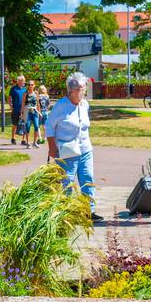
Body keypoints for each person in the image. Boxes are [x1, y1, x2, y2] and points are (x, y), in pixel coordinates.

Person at [45, 72, 102, 223]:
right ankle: (66, 210)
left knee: (87, 178)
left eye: (84, 88)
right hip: (67, 150)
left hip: (85, 149)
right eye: (82, 89)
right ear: (72, 91)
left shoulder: (85, 104)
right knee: (67, 181)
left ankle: (89, 210)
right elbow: (49, 127)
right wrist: (52, 148)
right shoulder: (61, 106)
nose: (84, 92)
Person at [21, 82, 44, 148]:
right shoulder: (25, 93)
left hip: (35, 111)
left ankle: (34, 142)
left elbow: (38, 104)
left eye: (32, 85)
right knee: (27, 126)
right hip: (27, 111)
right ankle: (28, 143)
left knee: (36, 126)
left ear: (34, 85)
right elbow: (23, 103)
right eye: (29, 85)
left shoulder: (36, 93)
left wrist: (39, 112)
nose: (30, 86)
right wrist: (21, 112)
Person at [9, 75, 27, 145]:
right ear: (18, 81)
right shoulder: (13, 89)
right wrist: (11, 106)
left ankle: (23, 140)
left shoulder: (25, 90)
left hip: (24, 110)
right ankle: (13, 138)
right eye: (20, 80)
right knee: (14, 124)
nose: (22, 82)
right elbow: (10, 98)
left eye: (23, 80)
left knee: (24, 124)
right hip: (15, 110)